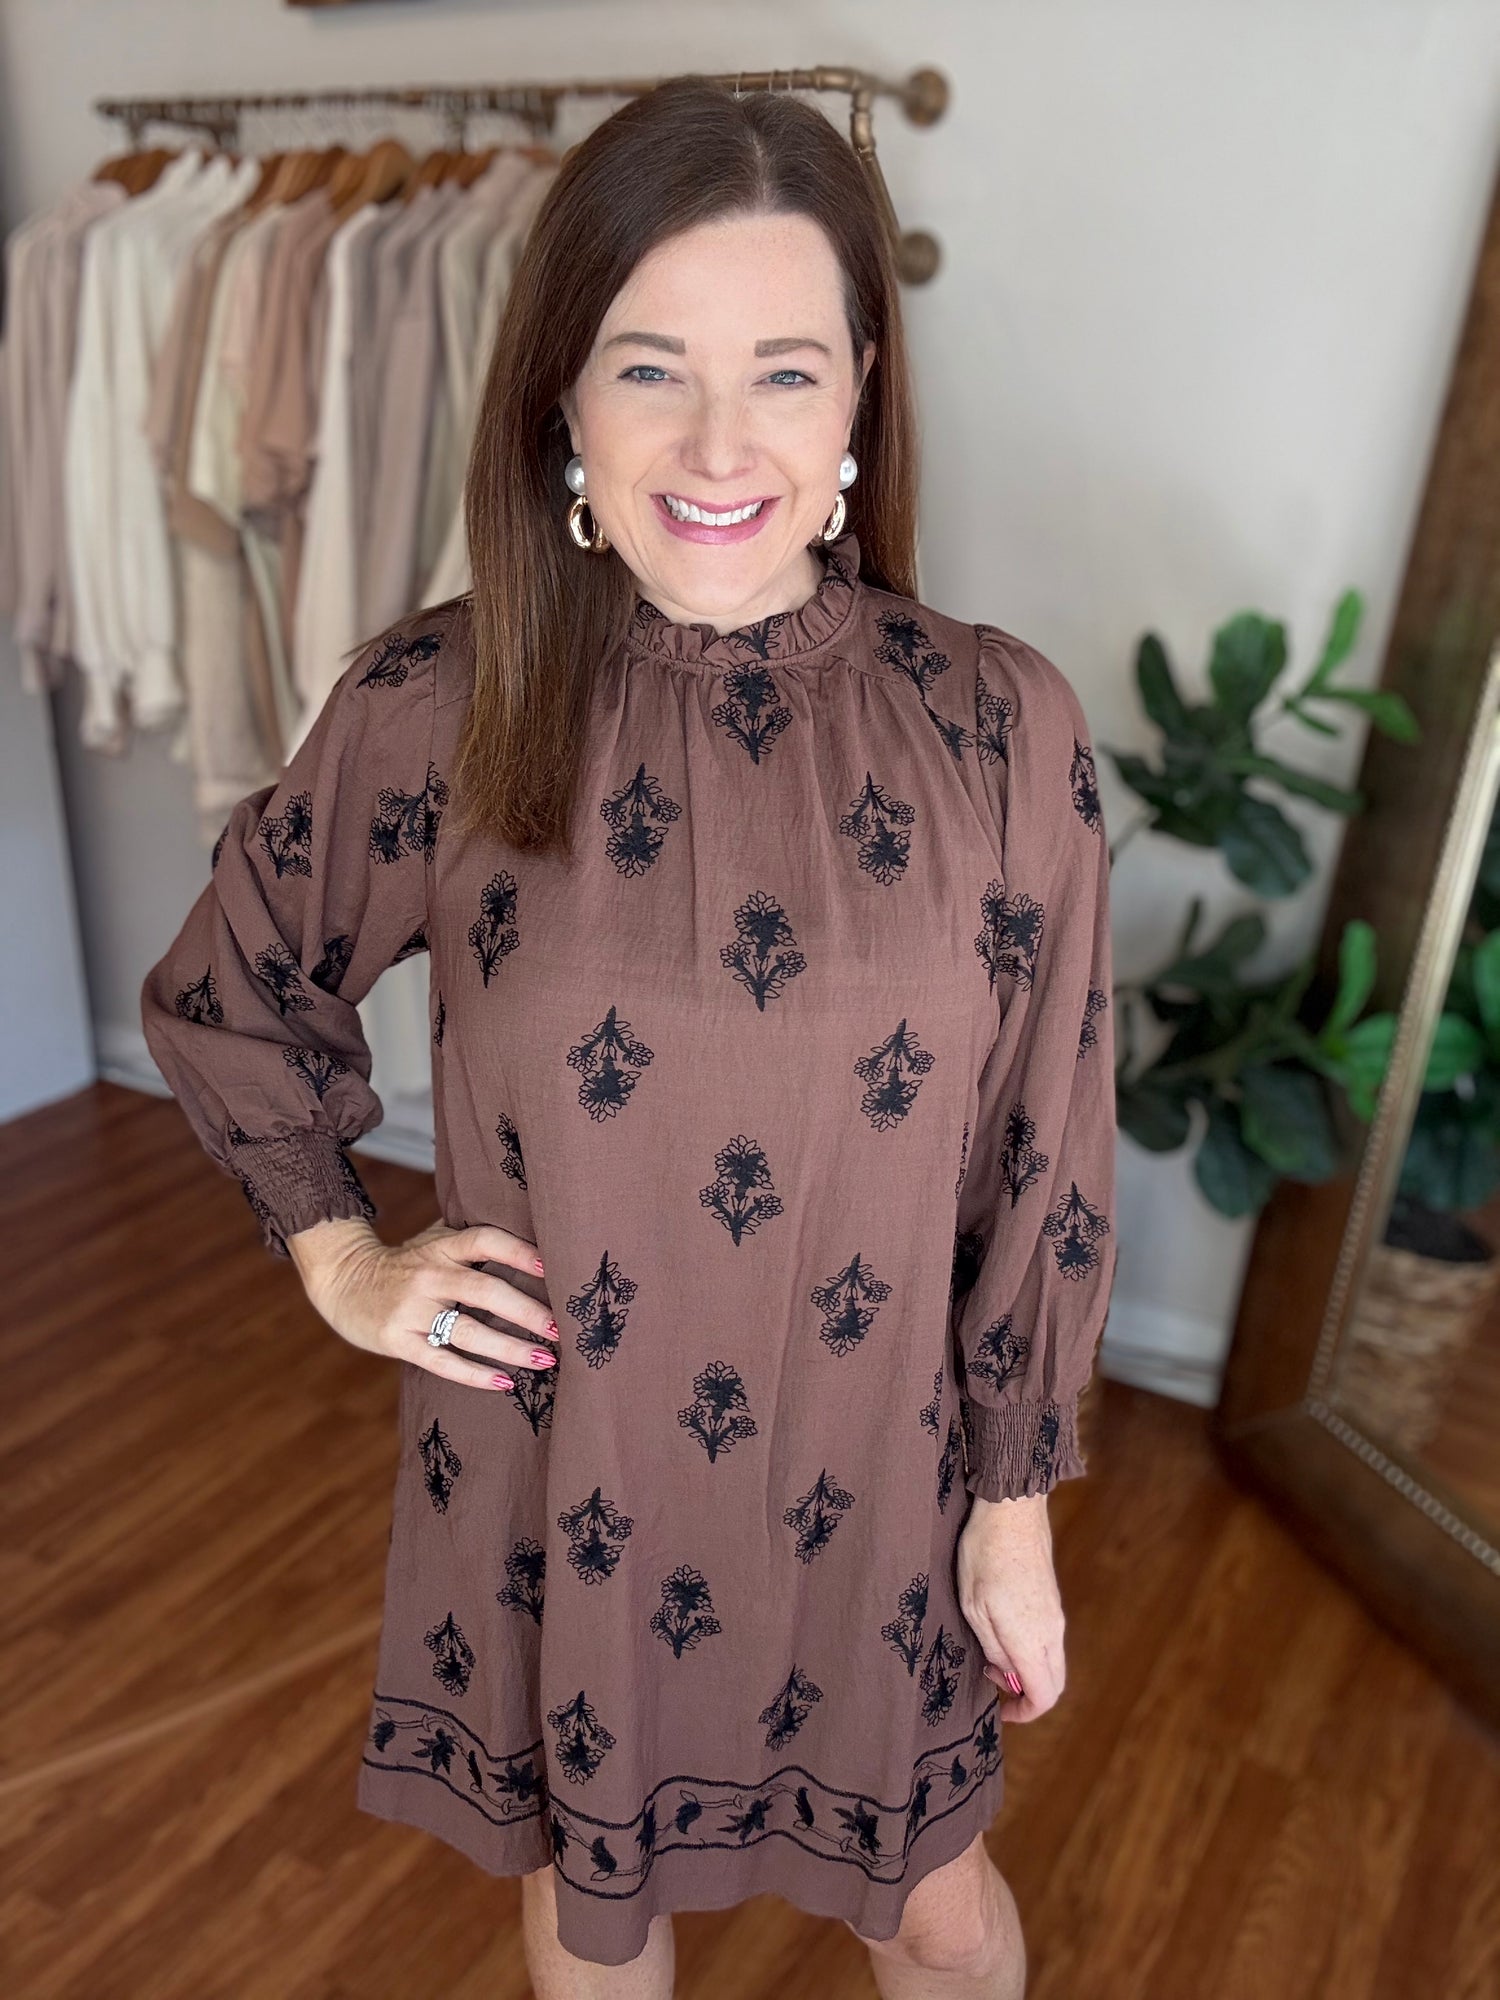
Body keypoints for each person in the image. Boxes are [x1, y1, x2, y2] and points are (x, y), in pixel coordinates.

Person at [141, 74, 1117, 2000]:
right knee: (598, 1905)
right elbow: (231, 982)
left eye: (785, 372)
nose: (719, 443)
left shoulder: (1002, 728)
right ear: (563, 403)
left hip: (878, 1469)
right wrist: (342, 1257)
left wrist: (1014, 1518)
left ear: (859, 400)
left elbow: (1046, 1152)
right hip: (564, 1465)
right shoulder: (440, 703)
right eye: (651, 368)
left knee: (937, 1907)